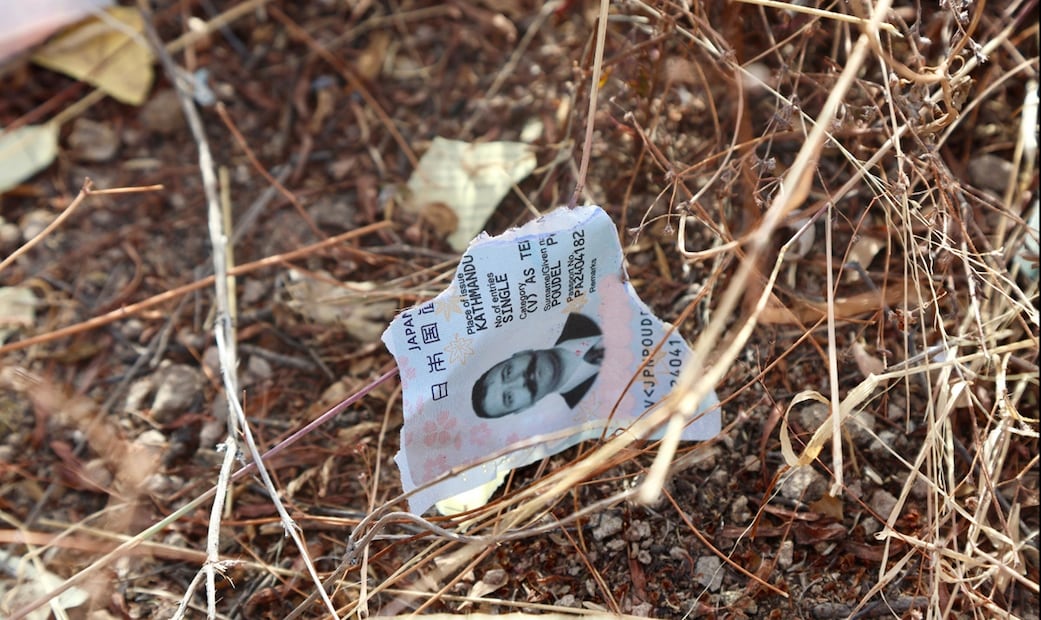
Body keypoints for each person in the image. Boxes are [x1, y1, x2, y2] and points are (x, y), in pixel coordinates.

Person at [472, 313, 604, 418]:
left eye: (508, 372)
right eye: (509, 397)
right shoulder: (592, 413)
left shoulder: (580, 310)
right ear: (523, 408)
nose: (521, 380)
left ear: (521, 353)